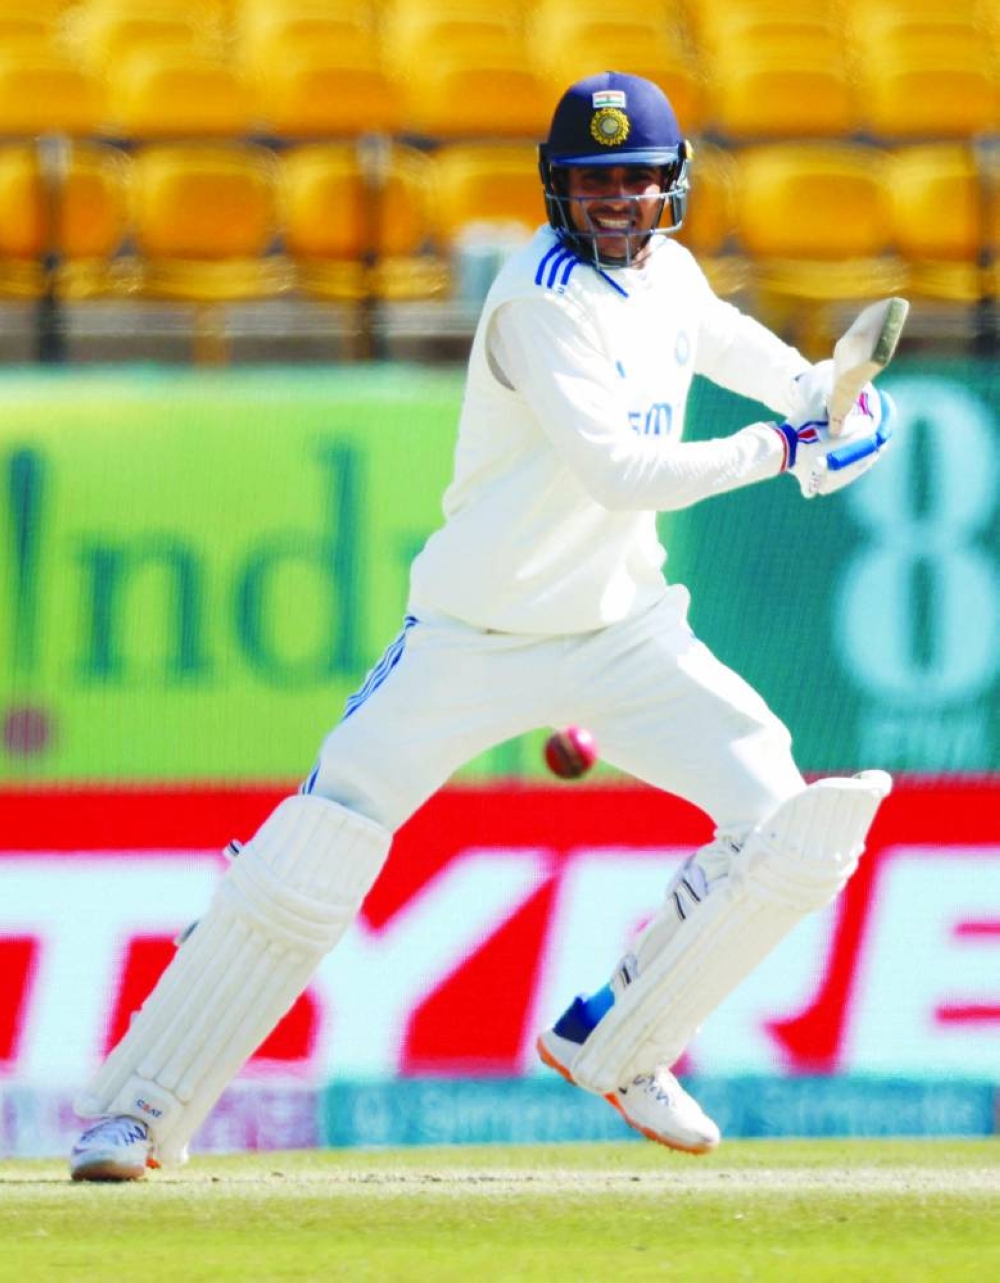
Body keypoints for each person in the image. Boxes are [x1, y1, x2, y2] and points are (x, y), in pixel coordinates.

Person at [69, 71, 894, 1180]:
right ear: (557, 188)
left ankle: (619, 1037)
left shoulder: (675, 278)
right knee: (311, 857)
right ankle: (136, 1110)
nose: (615, 201)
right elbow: (620, 472)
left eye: (636, 181)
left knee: (789, 824)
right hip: (472, 634)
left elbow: (782, 373)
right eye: (594, 181)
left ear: (672, 189)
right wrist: (788, 449)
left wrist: (838, 401)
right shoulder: (537, 301)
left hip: (624, 631)